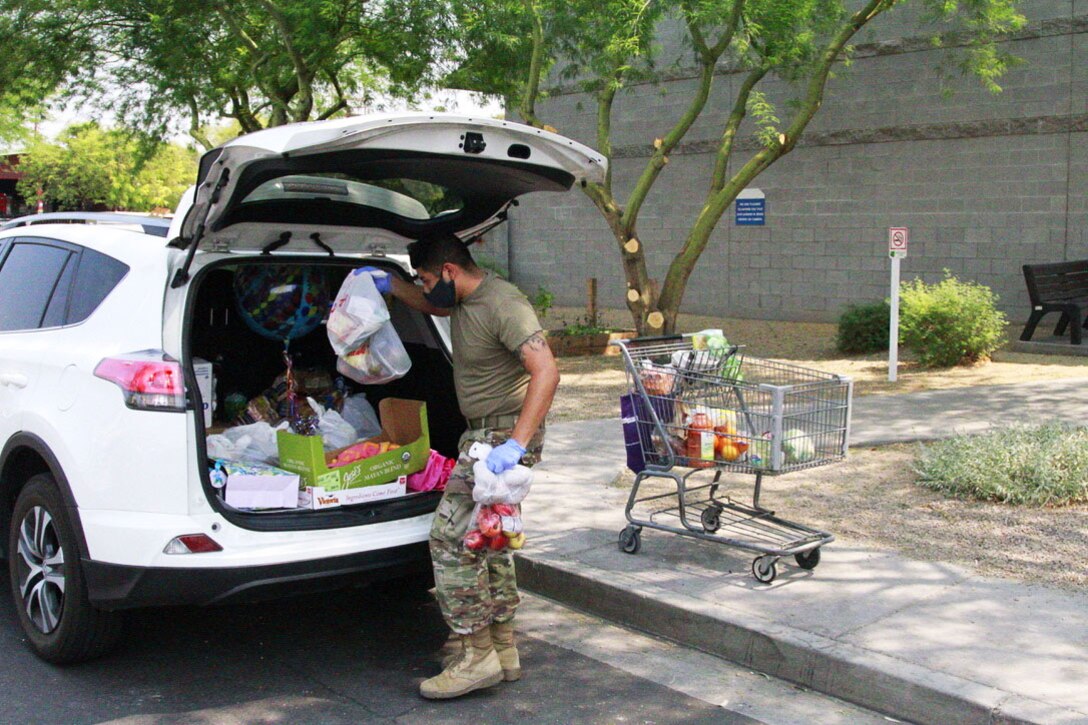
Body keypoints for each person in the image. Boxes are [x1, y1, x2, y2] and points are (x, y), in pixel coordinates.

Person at [363, 233, 559, 699]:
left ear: (450, 270)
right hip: (483, 435)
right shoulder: (465, 301)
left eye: (428, 278)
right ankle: (503, 648)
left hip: (497, 442)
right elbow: (434, 305)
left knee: (449, 542)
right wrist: (389, 285)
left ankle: (475, 656)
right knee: (489, 542)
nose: (426, 287)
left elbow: (546, 371)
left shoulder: (504, 304)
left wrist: (516, 444)